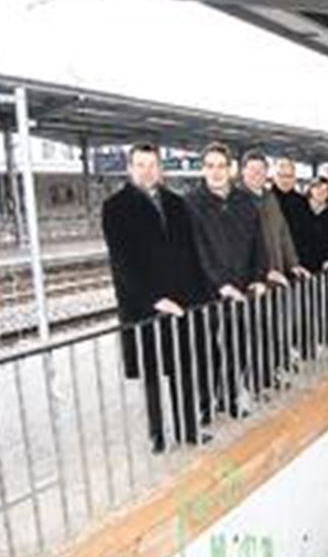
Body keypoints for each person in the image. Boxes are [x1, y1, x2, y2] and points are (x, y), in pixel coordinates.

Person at [101, 143, 211, 451]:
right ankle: (158, 435)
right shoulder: (115, 206)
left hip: (181, 303)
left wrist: (198, 297)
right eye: (141, 165)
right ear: (130, 169)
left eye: (152, 165)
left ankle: (189, 429)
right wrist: (153, 298)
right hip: (143, 306)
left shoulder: (177, 203)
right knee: (152, 374)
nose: (147, 171)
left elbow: (190, 253)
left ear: (160, 169)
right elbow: (123, 262)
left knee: (183, 368)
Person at [188, 142, 271, 415]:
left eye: (221, 166)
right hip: (207, 292)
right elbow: (197, 250)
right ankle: (205, 404)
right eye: (210, 166)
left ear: (231, 169)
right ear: (202, 169)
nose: (215, 172)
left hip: (243, 290)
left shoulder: (244, 201)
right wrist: (221, 284)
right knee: (208, 351)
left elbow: (260, 243)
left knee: (239, 346)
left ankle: (232, 398)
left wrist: (259, 277)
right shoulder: (191, 203)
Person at [239, 149, 308, 385]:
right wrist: (263, 271)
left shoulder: (269, 198)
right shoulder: (238, 200)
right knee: (255, 333)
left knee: (273, 328)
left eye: (261, 170)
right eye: (252, 170)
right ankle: (256, 380)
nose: (257, 174)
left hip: (276, 275)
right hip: (254, 279)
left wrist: (294, 264)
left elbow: (283, 234)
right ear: (243, 172)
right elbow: (242, 245)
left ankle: (271, 372)